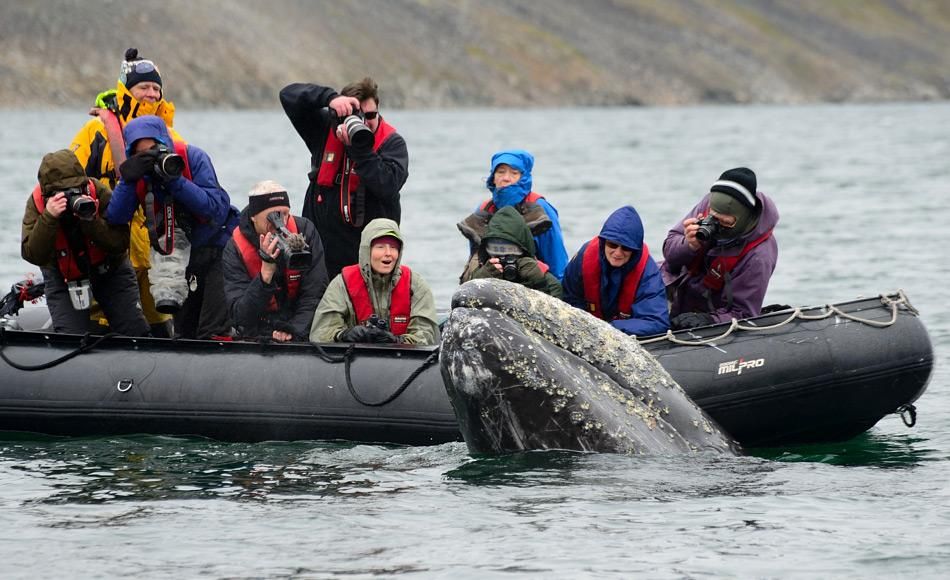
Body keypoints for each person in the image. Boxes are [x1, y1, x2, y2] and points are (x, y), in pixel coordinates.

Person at [69, 48, 179, 336]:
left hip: (154, 241)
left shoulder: (168, 134)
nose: (152, 94)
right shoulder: (97, 129)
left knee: (158, 317)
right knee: (107, 314)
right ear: (127, 89)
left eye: (157, 88)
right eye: (144, 86)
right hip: (111, 238)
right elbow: (69, 173)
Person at [107, 115, 239, 339]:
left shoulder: (191, 157)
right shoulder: (138, 175)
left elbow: (214, 209)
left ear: (165, 143)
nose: (151, 156)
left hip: (218, 248)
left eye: (155, 148)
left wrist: (174, 180)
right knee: (185, 331)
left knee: (212, 330)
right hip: (178, 254)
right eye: (143, 153)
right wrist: (128, 180)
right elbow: (117, 218)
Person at [279, 78, 408, 280]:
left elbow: (388, 186)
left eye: (371, 115)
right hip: (322, 253)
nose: (365, 122)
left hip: (369, 258)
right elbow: (288, 95)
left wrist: (360, 150)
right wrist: (329, 98)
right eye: (356, 116)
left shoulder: (392, 142)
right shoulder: (324, 129)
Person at [21, 150, 149, 337]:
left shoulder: (97, 192)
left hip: (110, 270)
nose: (70, 197)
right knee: (69, 339)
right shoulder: (38, 204)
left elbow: (120, 244)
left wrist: (91, 220)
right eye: (62, 194)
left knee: (135, 331)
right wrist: (49, 217)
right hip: (62, 277)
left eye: (75, 190)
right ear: (48, 193)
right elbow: (32, 253)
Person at [660, 167, 779, 329]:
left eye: (726, 223)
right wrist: (688, 245)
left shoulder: (759, 256)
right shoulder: (710, 204)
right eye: (714, 219)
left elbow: (744, 314)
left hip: (709, 312)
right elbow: (670, 255)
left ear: (743, 218)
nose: (717, 227)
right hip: (672, 291)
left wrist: (710, 321)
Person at [223, 180, 329, 342]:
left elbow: (314, 294)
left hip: (300, 325)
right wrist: (265, 274)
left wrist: (294, 331)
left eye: (285, 214)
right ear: (254, 217)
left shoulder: (305, 231)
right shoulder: (234, 248)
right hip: (259, 329)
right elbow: (241, 315)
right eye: (273, 216)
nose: (281, 222)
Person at [310, 219, 439, 345]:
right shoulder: (342, 284)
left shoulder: (415, 285)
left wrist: (396, 341)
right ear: (367, 250)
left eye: (393, 247)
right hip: (355, 358)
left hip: (404, 360)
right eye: (380, 247)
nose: (388, 253)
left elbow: (427, 336)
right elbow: (320, 334)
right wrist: (344, 335)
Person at [458, 149, 568, 282]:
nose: (506, 178)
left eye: (514, 173)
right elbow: (475, 259)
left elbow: (557, 262)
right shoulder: (483, 210)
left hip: (534, 284)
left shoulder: (541, 209)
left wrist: (558, 293)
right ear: (493, 177)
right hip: (491, 283)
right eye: (500, 172)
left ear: (524, 177)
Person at [562, 206, 670, 337]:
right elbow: (570, 300)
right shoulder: (583, 259)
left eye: (626, 247)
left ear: (635, 250)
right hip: (588, 330)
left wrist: (610, 327)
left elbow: (657, 321)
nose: (618, 253)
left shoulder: (647, 273)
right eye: (612, 245)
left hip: (619, 332)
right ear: (603, 242)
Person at [462, 206, 563, 298]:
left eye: (511, 251)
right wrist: (482, 279)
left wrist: (538, 283)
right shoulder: (478, 275)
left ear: (524, 250)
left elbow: (554, 315)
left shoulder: (548, 282)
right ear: (486, 251)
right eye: (495, 250)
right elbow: (464, 301)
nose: (503, 257)